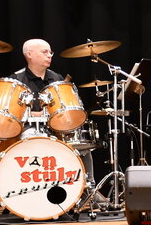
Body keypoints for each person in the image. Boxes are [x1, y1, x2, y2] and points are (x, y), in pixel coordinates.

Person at [13, 38, 95, 189]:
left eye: (50, 52)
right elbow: (12, 114)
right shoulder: (17, 79)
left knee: (82, 145)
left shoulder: (56, 78)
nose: (49, 55)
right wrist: (34, 115)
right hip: (29, 129)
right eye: (45, 52)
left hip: (57, 129)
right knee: (31, 138)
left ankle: (88, 188)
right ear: (29, 54)